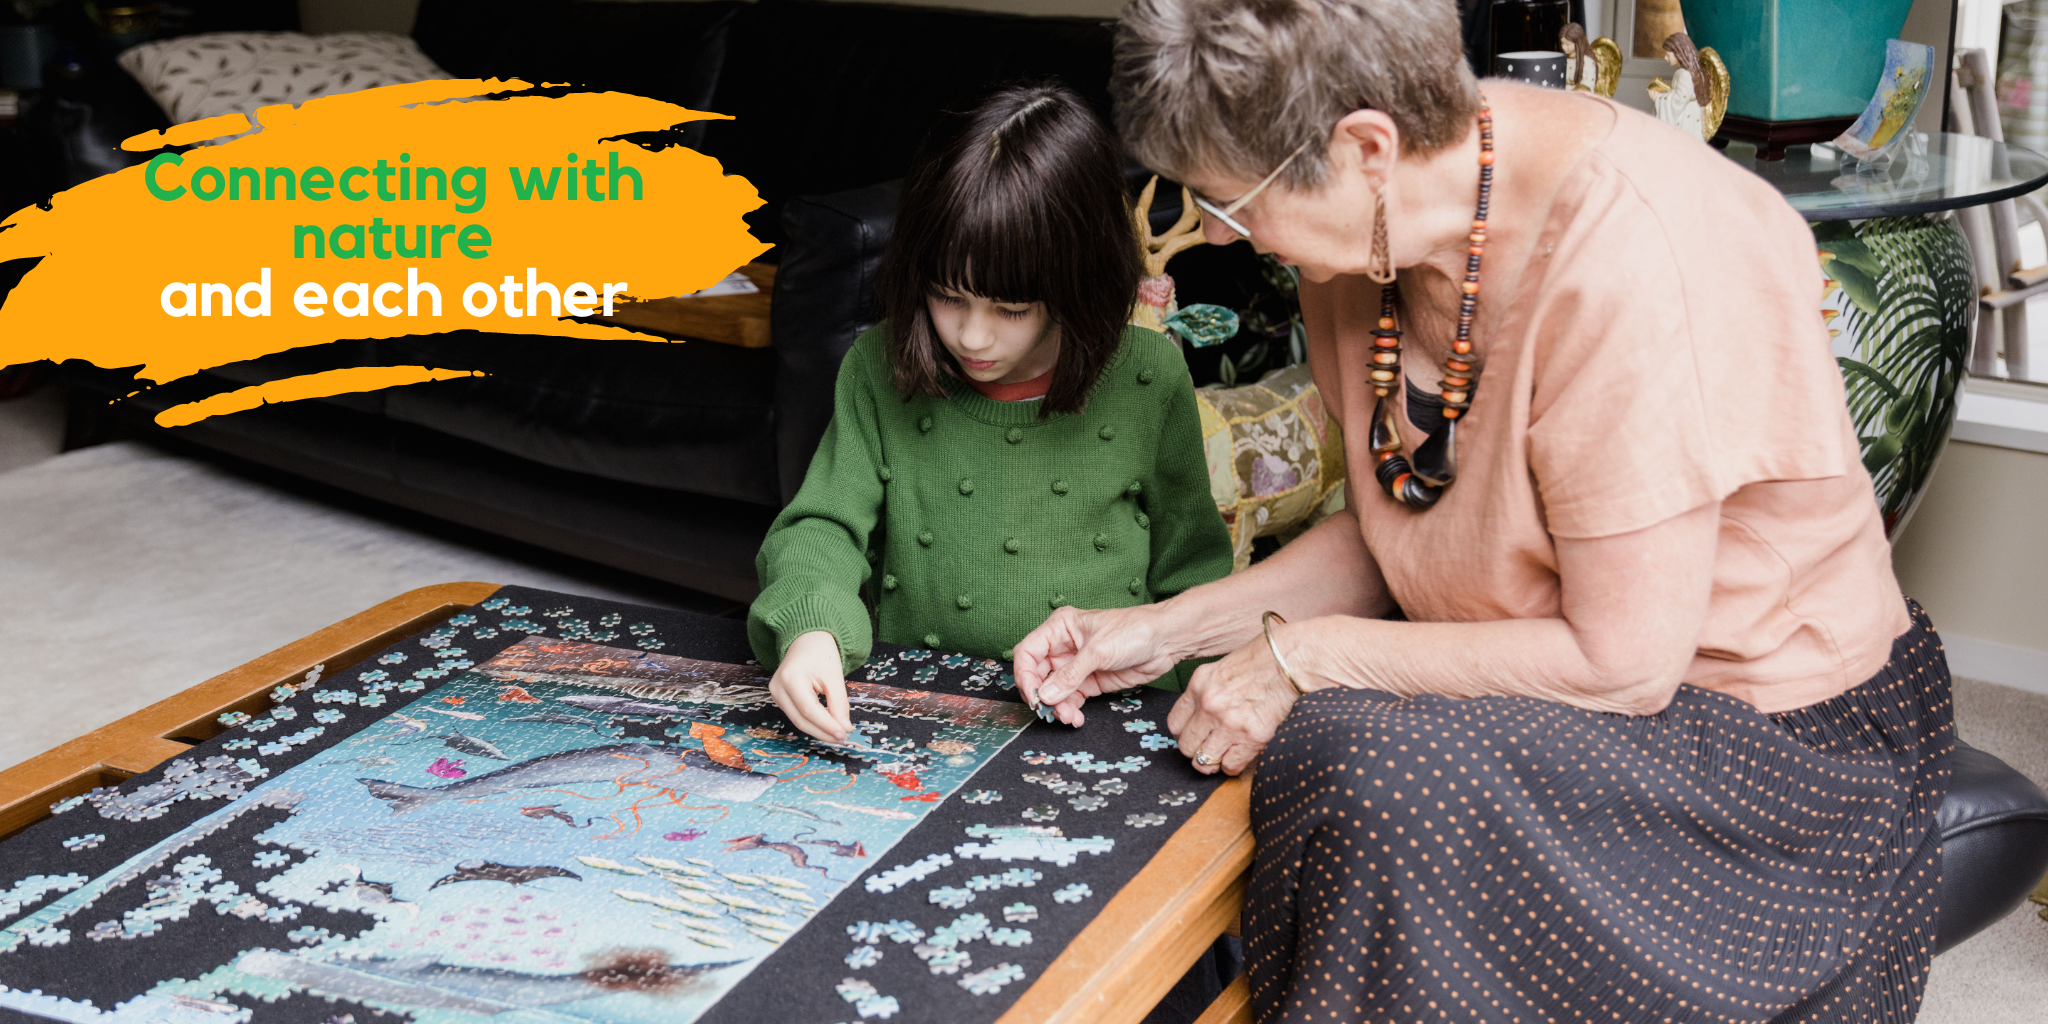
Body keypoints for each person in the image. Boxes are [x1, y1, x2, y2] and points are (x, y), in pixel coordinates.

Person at [1013, 1, 1952, 1022]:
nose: (1238, 238)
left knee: (1360, 760)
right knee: (1259, 738)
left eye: (1234, 206)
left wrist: (1304, 655)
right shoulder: (1364, 241)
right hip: (1549, 672)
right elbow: (1405, 535)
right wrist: (1165, 632)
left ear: (1364, 147)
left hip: (1757, 745)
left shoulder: (1639, 252)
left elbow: (1622, 662)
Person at [749, 80, 1233, 743]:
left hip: (1106, 721)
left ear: (1078, 282)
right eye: (948, 297)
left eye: (1010, 309)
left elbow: (1194, 577)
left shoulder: (1150, 376)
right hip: (918, 714)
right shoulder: (875, 367)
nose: (972, 336)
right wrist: (810, 631)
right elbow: (821, 527)